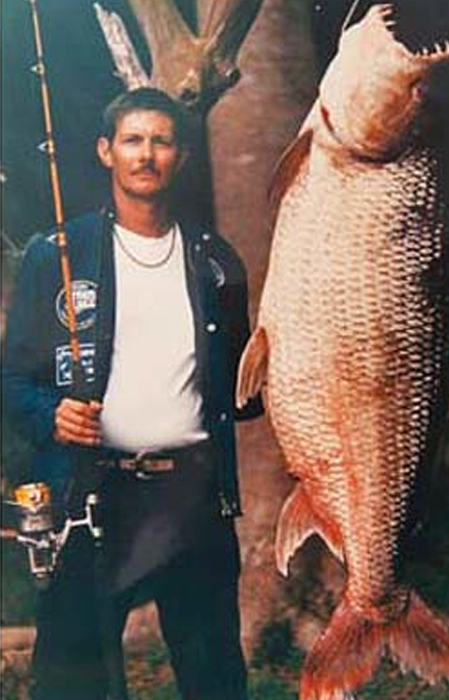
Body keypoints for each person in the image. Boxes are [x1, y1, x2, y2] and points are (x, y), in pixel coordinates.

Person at [3, 87, 262, 700]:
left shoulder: (216, 261)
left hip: (194, 500)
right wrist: (53, 416)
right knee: (72, 686)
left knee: (215, 682)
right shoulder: (58, 255)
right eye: (133, 140)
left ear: (182, 156)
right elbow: (11, 380)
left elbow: (244, 394)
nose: (147, 154)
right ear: (106, 151)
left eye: (162, 141)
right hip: (91, 498)